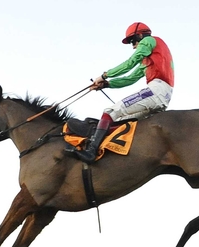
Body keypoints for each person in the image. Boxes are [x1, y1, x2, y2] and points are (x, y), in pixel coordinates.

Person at [68, 22, 175, 162]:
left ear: (141, 35)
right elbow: (130, 79)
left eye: (133, 40)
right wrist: (106, 85)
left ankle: (91, 151)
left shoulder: (149, 40)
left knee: (110, 112)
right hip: (163, 96)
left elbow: (130, 63)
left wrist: (105, 75)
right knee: (118, 121)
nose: (133, 46)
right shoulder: (152, 58)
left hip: (156, 91)